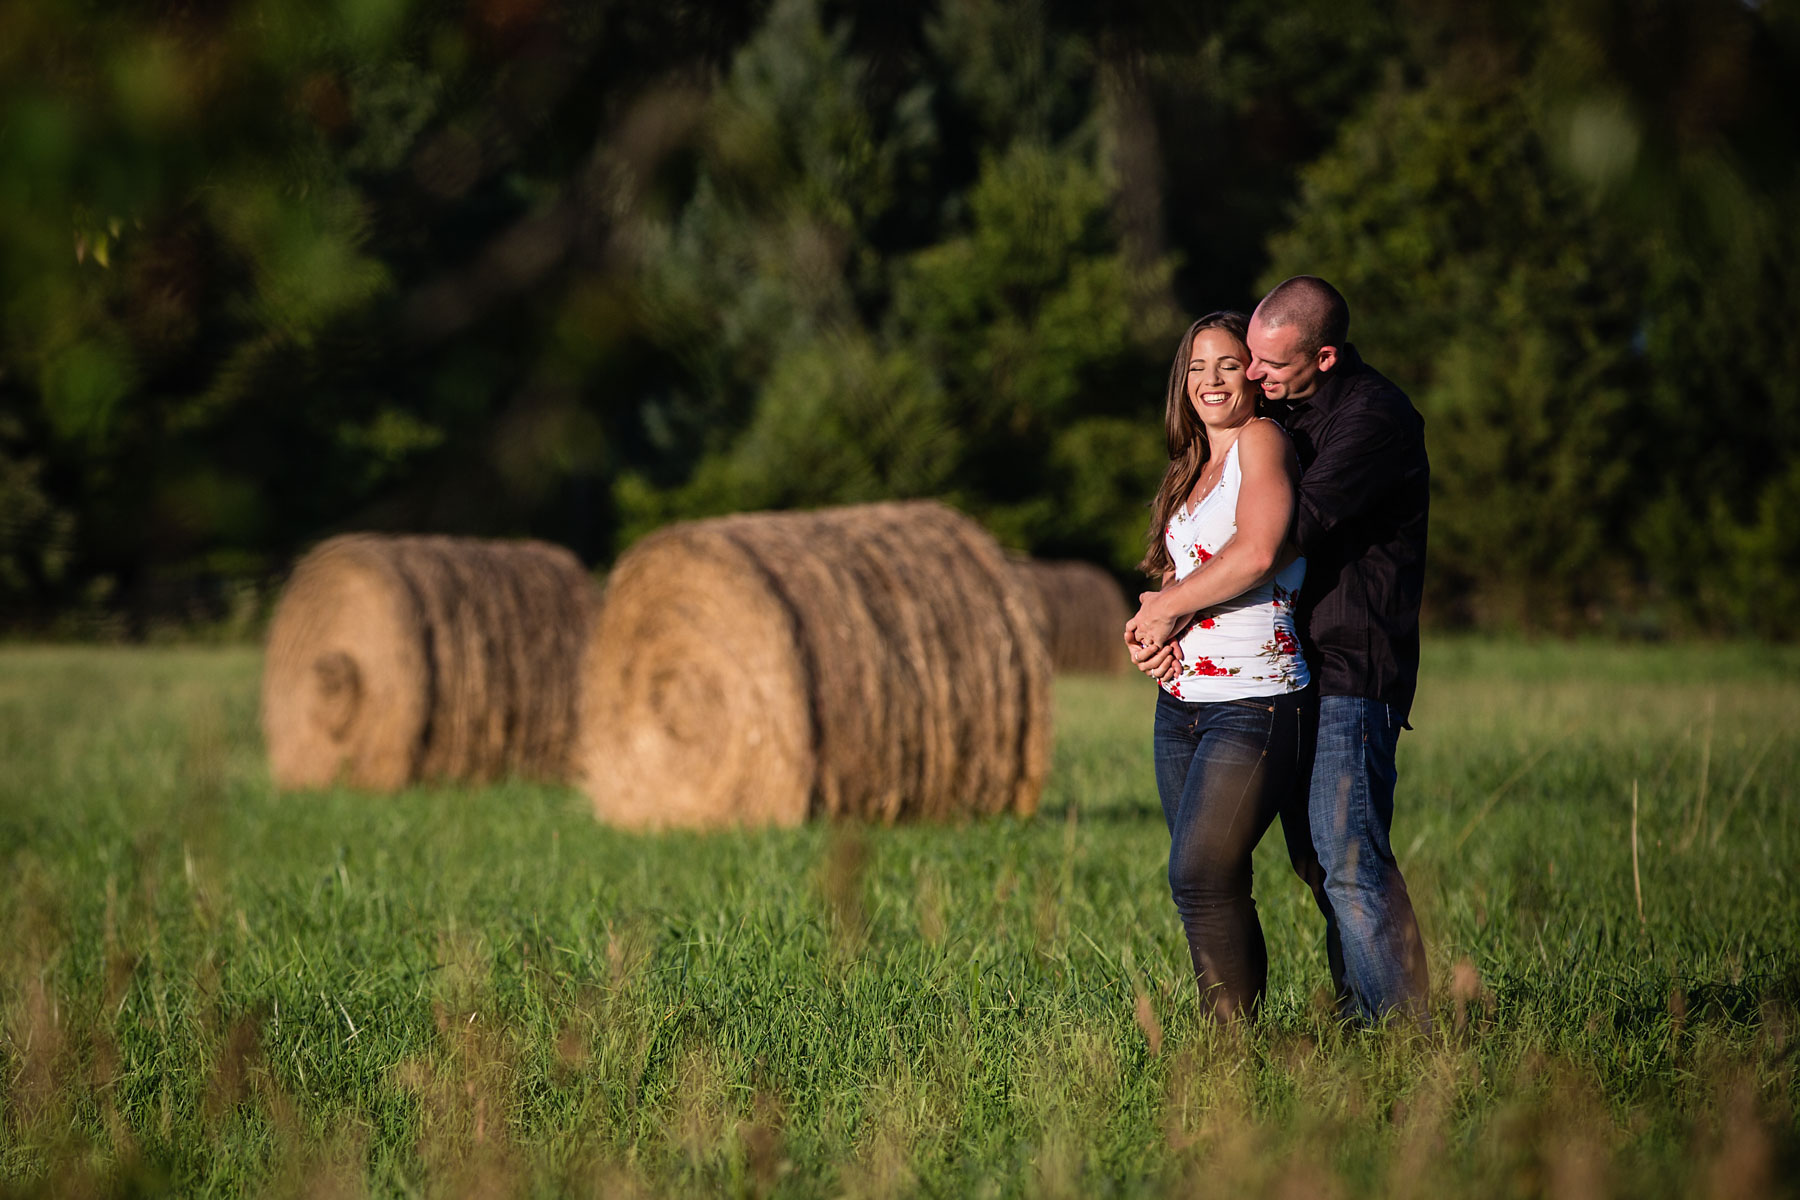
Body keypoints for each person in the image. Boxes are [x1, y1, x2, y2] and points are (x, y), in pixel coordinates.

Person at [1128, 276, 1432, 1029]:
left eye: (1253, 366)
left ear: (1322, 357)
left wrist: (1170, 607)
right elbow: (1203, 553)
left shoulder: (1367, 419)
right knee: (1310, 864)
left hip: (1342, 665)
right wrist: (1163, 626)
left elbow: (1273, 541)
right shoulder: (1254, 432)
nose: (1245, 378)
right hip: (1244, 682)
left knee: (1345, 860)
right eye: (1224, 364)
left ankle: (1409, 1033)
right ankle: (1352, 1015)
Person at [1126, 309, 1312, 1023]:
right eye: (1198, 367)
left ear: (1254, 378)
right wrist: (1152, 637)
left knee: (1199, 872)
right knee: (1216, 879)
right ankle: (1232, 1048)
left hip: (1255, 700)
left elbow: (1261, 552)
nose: (1211, 379)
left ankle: (1229, 1046)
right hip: (1183, 706)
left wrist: (1166, 608)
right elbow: (1181, 584)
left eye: (1229, 364)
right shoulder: (1192, 469)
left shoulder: (1263, 444)